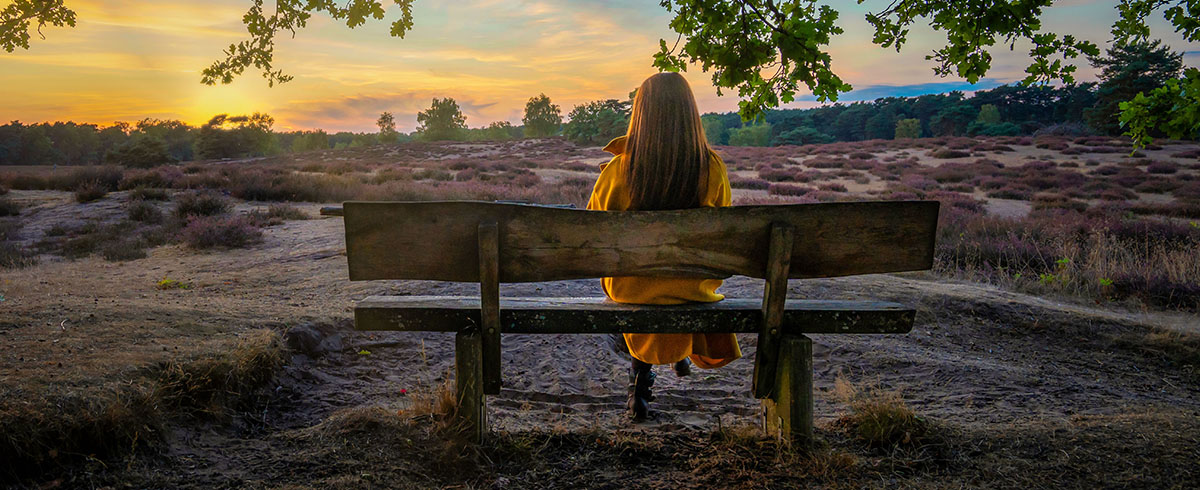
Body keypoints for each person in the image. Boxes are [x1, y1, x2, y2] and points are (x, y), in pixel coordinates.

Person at [586, 72, 741, 421]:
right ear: (690, 113)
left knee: (640, 287)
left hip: (631, 289)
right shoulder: (711, 168)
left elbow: (592, 235)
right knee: (675, 286)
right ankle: (677, 351)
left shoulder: (619, 170)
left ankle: (640, 378)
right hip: (693, 290)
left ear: (641, 114)